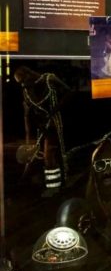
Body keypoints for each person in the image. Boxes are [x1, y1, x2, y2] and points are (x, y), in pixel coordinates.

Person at [14, 66, 70, 195]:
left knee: (51, 154)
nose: (23, 84)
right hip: (42, 126)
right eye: (21, 83)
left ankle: (55, 186)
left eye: (23, 80)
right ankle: (54, 185)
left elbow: (69, 91)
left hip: (55, 122)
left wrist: (55, 109)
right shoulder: (27, 91)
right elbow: (29, 112)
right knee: (47, 155)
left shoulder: (49, 79)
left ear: (28, 74)